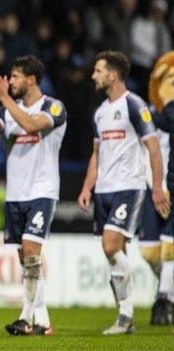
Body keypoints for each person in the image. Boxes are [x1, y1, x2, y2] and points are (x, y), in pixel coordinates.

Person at [78, 50, 170, 335]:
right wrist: (86, 187)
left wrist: (156, 188)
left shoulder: (135, 105)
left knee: (110, 246)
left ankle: (128, 314)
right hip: (104, 190)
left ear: (113, 74)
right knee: (115, 253)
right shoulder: (100, 112)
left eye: (98, 70)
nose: (93, 75)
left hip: (128, 187)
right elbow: (96, 153)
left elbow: (153, 149)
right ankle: (125, 315)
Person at [0, 55, 67, 336]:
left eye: (14, 77)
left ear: (31, 79)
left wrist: (3, 98)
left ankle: (38, 319)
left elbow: (31, 125)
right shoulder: (6, 112)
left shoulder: (53, 107)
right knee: (24, 258)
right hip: (15, 194)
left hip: (42, 190)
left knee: (30, 251)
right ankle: (32, 318)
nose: (10, 82)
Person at [138, 129, 174, 324]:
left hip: (172, 186)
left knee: (170, 249)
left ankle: (166, 297)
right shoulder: (149, 114)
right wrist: (156, 187)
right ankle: (167, 286)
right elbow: (147, 151)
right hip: (150, 188)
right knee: (149, 252)